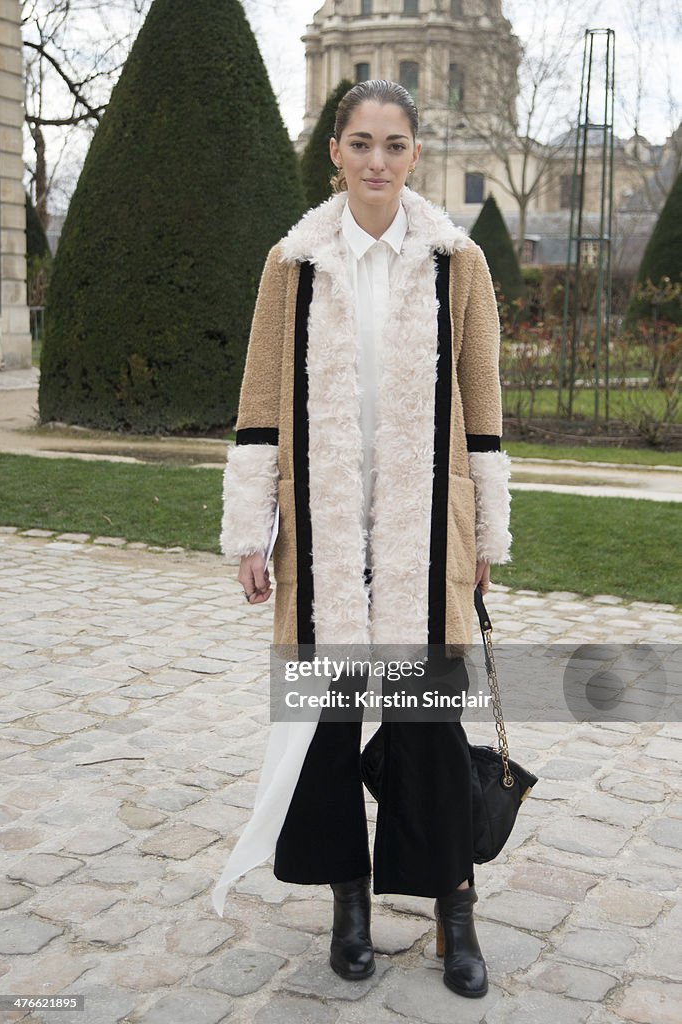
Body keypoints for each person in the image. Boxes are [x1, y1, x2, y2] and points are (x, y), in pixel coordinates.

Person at [212, 80, 512, 999]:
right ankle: (348, 902)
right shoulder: (290, 265)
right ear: (334, 153)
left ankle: (452, 908)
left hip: (425, 526)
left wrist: (486, 531)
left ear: (414, 155)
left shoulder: (458, 261)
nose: (377, 159)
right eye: (360, 142)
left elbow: (485, 406)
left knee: (427, 725)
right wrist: (251, 532)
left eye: (394, 144)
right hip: (323, 530)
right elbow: (259, 407)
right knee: (326, 725)